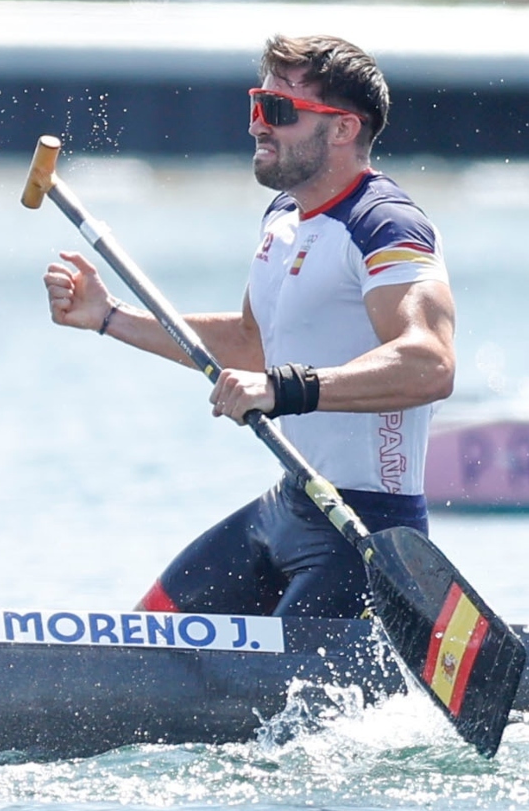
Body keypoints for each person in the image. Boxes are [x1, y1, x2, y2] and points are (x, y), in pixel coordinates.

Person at [43, 35, 455, 618]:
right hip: (289, 507)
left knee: (294, 707)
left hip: (367, 528)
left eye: (279, 112)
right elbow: (249, 343)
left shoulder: (385, 225)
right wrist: (109, 316)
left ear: (342, 129)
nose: (258, 126)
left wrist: (283, 389)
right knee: (141, 638)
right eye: (257, 105)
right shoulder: (284, 216)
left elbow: (430, 364)